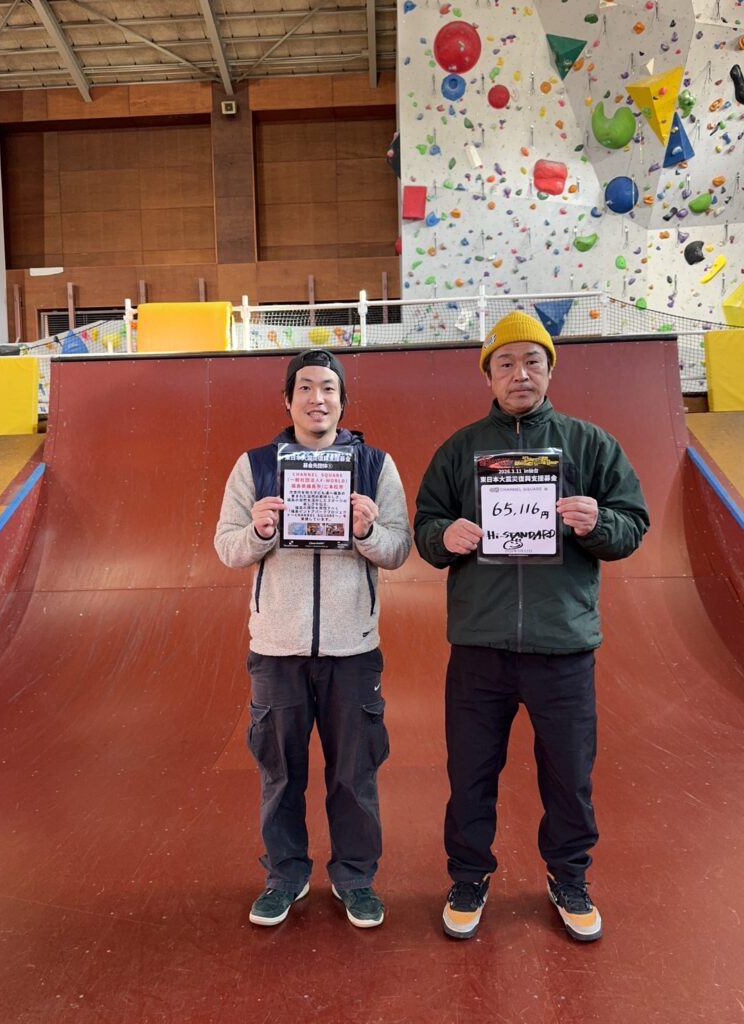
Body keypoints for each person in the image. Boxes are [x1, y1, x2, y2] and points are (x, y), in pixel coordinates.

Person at [414, 311, 649, 943]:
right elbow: (425, 526)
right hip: (479, 647)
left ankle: (569, 877)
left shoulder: (590, 444)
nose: (520, 374)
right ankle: (469, 876)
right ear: (488, 375)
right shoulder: (461, 450)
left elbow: (633, 524)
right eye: (506, 363)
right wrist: (444, 536)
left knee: (570, 775)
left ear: (550, 370)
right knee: (470, 773)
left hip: (562, 645)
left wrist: (599, 522)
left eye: (533, 362)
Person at [215, 348, 411, 930]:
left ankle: (356, 878)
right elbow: (227, 547)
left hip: (354, 648)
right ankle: (285, 876)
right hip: (277, 648)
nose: (317, 398)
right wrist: (259, 531)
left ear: (342, 401)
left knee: (355, 773)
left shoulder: (375, 466)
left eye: (328, 387)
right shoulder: (256, 466)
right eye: (304, 387)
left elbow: (399, 548)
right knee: (280, 773)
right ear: (287, 400)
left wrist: (368, 530)